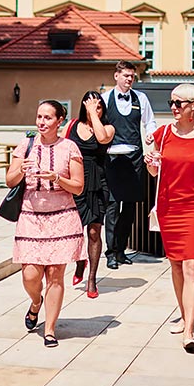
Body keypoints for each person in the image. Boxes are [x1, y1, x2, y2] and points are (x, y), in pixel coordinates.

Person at [143, 83, 194, 352]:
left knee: (192, 266)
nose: (173, 108)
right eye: (171, 102)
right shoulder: (164, 133)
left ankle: (189, 332)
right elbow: (154, 173)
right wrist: (150, 162)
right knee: (176, 266)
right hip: (170, 209)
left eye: (179, 103)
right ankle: (183, 314)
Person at [7, 100, 85, 347]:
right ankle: (35, 302)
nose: (41, 122)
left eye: (47, 118)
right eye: (39, 117)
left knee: (55, 274)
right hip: (30, 216)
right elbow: (10, 180)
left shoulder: (70, 148)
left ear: (59, 120)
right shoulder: (26, 145)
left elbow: (79, 187)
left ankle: (50, 329)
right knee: (30, 274)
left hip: (62, 216)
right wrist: (22, 171)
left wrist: (57, 178)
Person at [101, 60, 157, 269]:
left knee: (130, 208)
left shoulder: (141, 98)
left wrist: (151, 134)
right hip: (113, 158)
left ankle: (122, 250)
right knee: (113, 207)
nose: (129, 79)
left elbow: (150, 122)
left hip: (134, 159)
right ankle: (110, 252)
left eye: (132, 76)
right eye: (125, 75)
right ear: (116, 76)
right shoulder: (105, 99)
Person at [66, 91, 115, 298]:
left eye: (99, 106)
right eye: (91, 105)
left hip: (98, 181)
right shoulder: (72, 125)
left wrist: (94, 114)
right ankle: (80, 263)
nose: (95, 109)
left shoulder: (108, 127)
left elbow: (102, 139)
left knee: (94, 231)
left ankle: (92, 279)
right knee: (75, 229)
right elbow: (62, 147)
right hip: (76, 181)